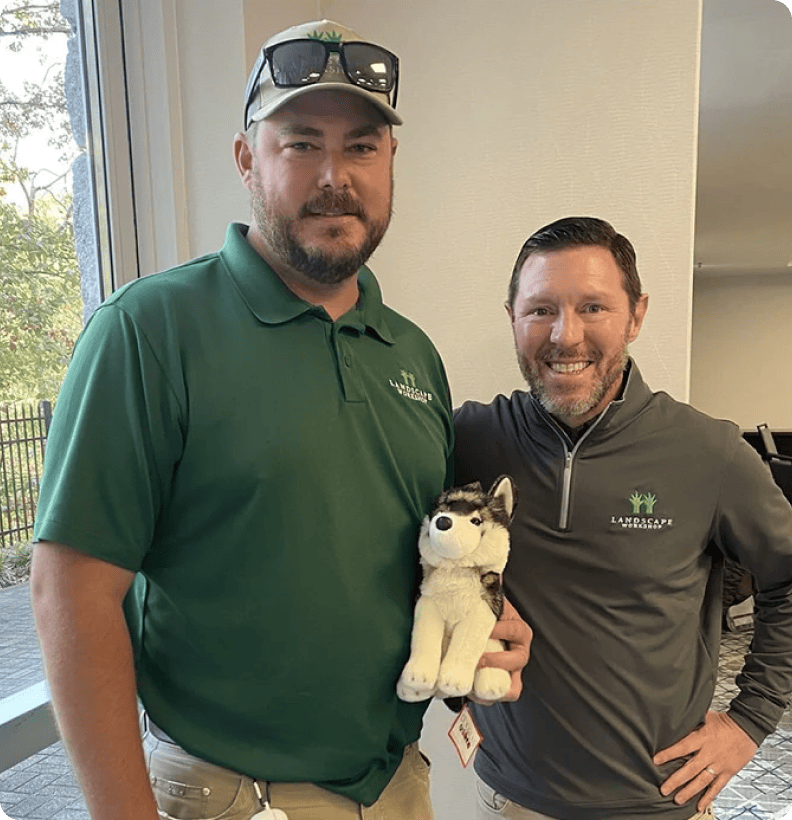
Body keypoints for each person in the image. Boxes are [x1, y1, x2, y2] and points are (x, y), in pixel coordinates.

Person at [30, 20, 529, 820]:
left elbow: (424, 557)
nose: (336, 176)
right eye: (301, 144)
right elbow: (71, 594)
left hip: (397, 786)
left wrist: (483, 623)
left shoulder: (411, 354)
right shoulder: (148, 332)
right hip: (230, 797)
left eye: (362, 147)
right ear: (245, 159)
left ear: (391, 162)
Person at [453, 216, 792, 820]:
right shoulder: (471, 439)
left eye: (593, 307)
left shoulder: (709, 453)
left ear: (635, 316)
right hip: (506, 799)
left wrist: (750, 722)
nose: (566, 335)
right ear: (512, 317)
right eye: (540, 310)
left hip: (661, 804)